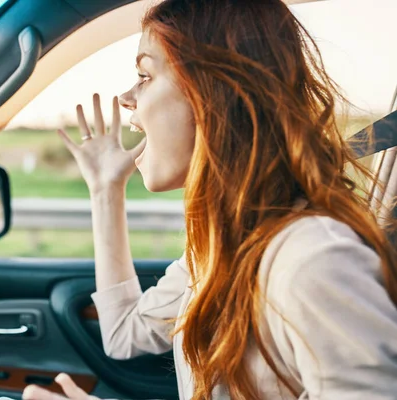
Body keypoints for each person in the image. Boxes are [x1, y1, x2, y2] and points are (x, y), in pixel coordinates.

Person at [23, 0, 397, 398]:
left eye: (144, 76)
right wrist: (105, 189)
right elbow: (122, 334)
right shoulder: (219, 247)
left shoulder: (313, 260)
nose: (126, 97)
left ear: (214, 93)